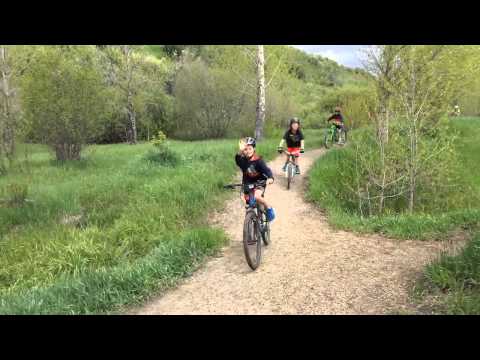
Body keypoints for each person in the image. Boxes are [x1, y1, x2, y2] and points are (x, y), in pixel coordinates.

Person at [235, 137, 276, 222]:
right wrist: (240, 150)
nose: (248, 151)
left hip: (259, 183)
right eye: (246, 149)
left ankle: (268, 206)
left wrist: (270, 178)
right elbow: (237, 158)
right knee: (246, 201)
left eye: (250, 149)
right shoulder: (242, 161)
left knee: (257, 196)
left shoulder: (258, 160)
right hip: (247, 184)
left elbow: (267, 170)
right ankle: (249, 222)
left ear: (254, 149)